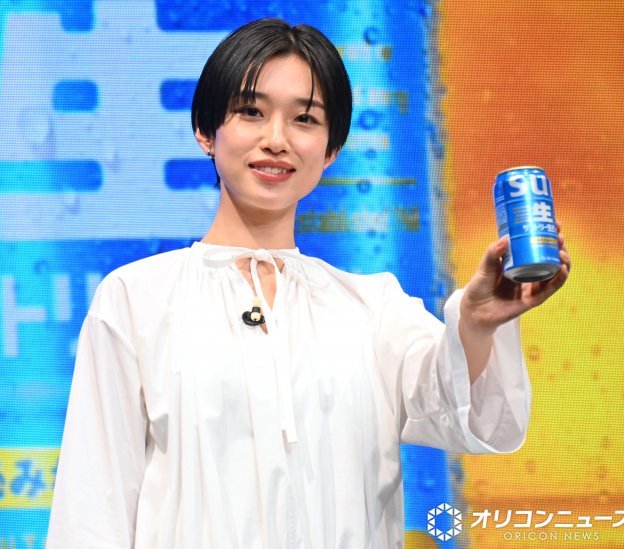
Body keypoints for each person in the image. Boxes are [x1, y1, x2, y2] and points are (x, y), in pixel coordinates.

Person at [46, 18, 570, 549]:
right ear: (205, 130)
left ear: (331, 148)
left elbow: (470, 416)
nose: (276, 140)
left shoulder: (373, 309)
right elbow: (92, 507)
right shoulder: (136, 299)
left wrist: (476, 324)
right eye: (251, 112)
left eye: (304, 118)